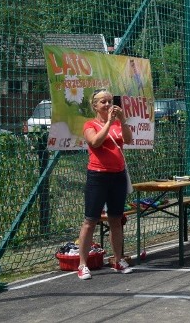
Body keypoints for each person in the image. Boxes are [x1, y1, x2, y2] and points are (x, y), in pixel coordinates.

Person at [75, 89, 134, 280]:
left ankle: (118, 259)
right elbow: (95, 141)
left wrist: (122, 120)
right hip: (98, 177)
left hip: (117, 176)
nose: (108, 105)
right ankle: (83, 264)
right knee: (90, 221)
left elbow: (128, 139)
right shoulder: (90, 124)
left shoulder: (118, 124)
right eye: (103, 102)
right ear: (95, 106)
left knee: (116, 219)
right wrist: (108, 122)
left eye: (110, 101)